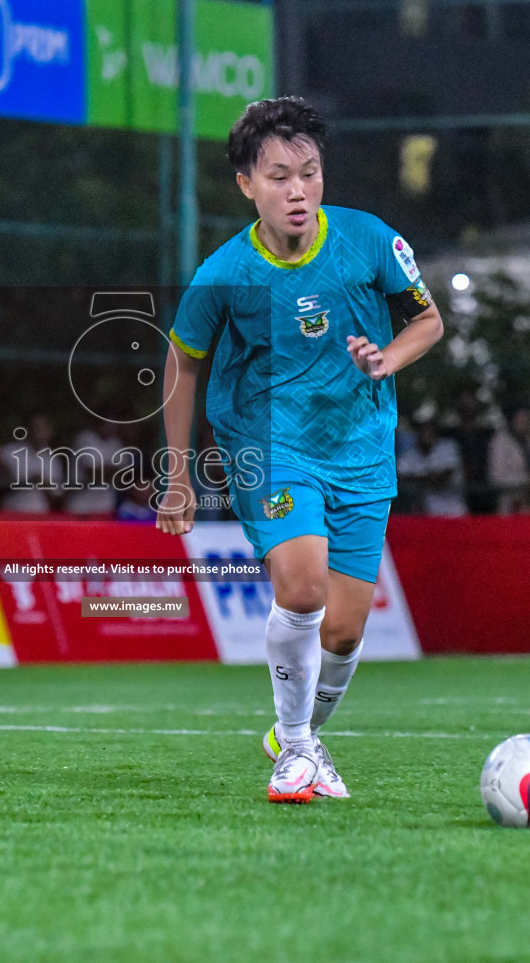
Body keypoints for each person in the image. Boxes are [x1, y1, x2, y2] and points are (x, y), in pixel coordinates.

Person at [159, 97, 444, 803]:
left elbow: (428, 321)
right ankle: (294, 754)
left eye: (310, 174)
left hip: (362, 449)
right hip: (269, 442)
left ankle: (300, 734)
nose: (297, 191)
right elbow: (182, 362)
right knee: (303, 586)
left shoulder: (370, 241)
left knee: (344, 633)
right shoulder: (225, 272)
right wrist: (178, 473)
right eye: (279, 176)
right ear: (246, 185)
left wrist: (386, 360)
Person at [396, 407, 465, 516]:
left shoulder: (448, 447)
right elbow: (400, 477)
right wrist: (429, 477)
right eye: (420, 428)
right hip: (424, 518)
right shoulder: (410, 454)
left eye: (428, 427)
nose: (425, 431)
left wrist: (416, 478)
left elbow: (444, 477)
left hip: (452, 514)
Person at [488, 400, 530, 515]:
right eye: (521, 418)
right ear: (512, 419)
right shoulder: (500, 442)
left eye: (528, 419)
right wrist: (528, 480)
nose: (525, 422)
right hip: (509, 507)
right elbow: (497, 478)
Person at [447, 388, 496, 514]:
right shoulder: (449, 434)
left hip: (486, 493)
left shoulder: (489, 434)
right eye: (463, 404)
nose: (467, 408)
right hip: (458, 494)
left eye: (470, 403)